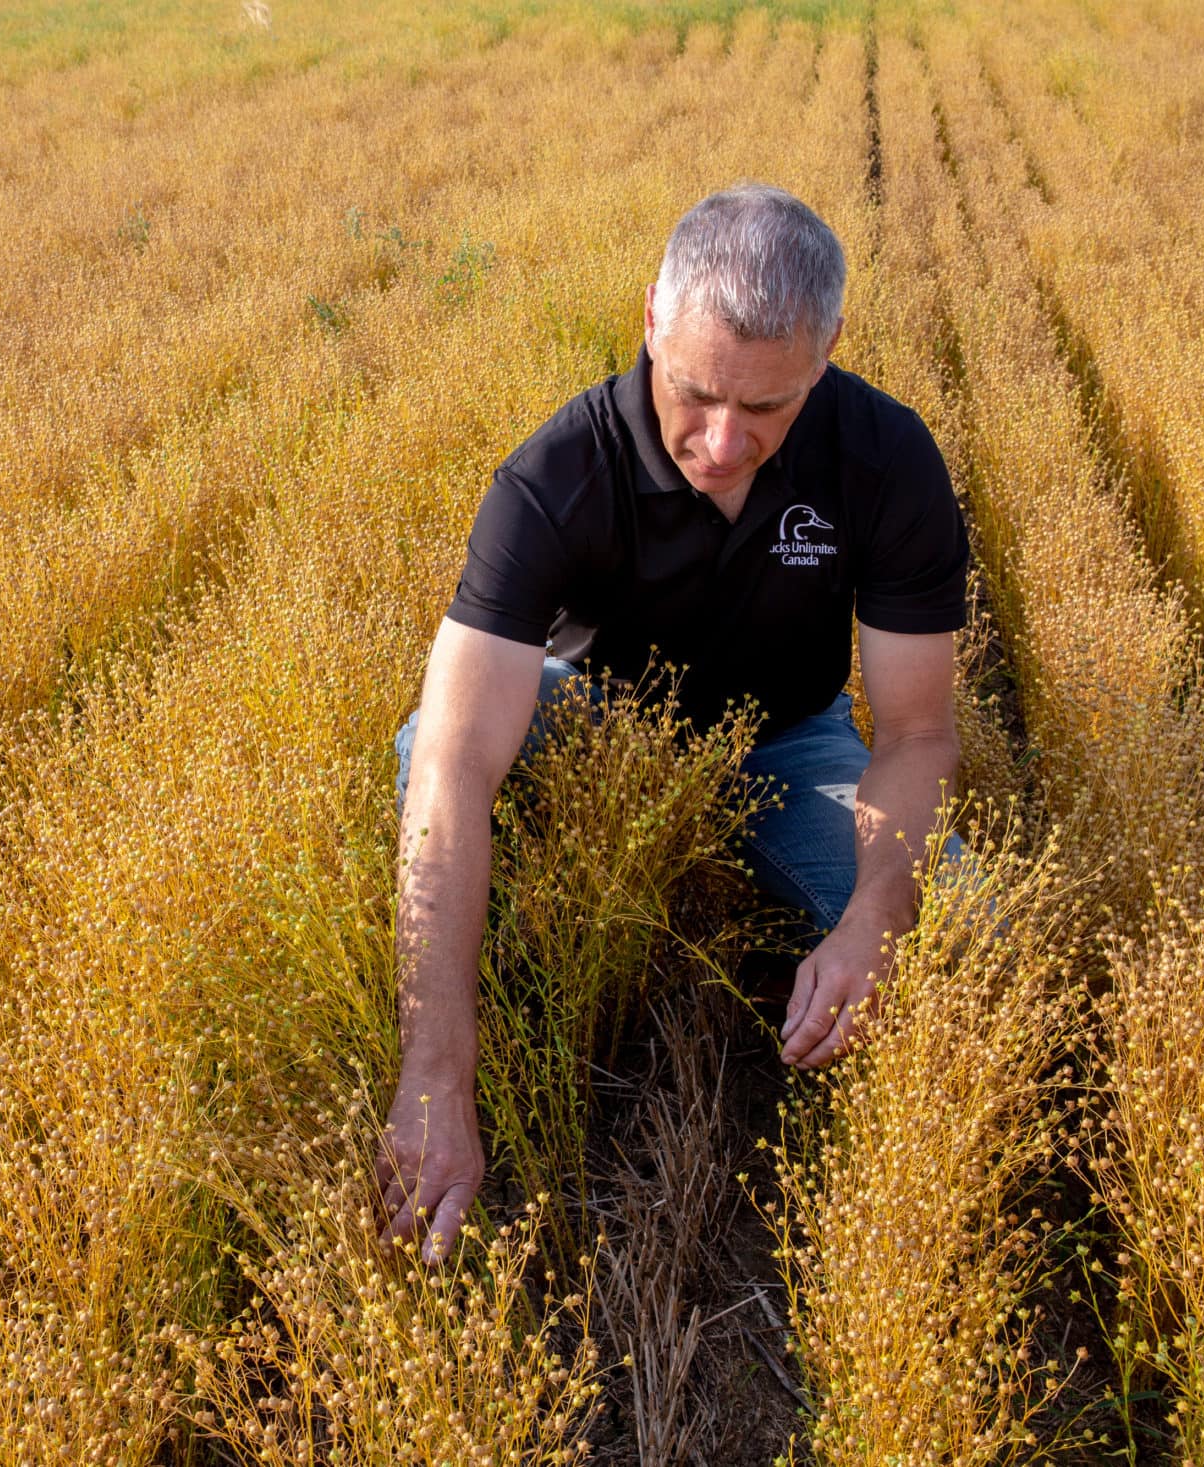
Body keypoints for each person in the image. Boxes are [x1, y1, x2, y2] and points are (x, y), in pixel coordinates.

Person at [377, 185, 971, 1262]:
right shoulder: (553, 477)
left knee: (965, 919)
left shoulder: (887, 462)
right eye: (694, 393)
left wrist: (878, 918)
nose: (721, 441)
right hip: (593, 717)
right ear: (650, 314)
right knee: (427, 743)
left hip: (787, 740)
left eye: (769, 409)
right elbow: (459, 763)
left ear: (831, 346)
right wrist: (434, 1071)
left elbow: (916, 733)